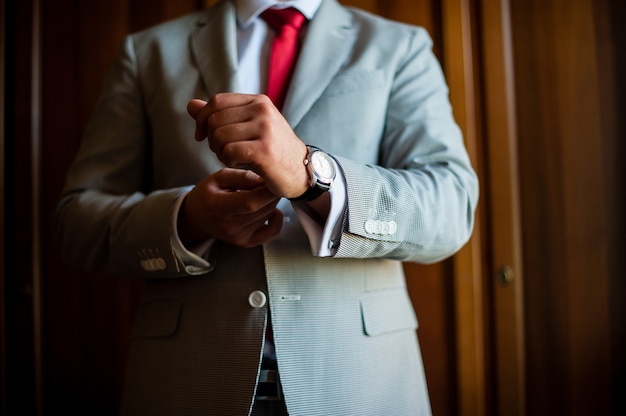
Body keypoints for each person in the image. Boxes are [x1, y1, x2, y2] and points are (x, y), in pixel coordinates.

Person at [55, 0, 479, 414]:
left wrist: (311, 172)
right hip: (188, 377)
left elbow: (451, 205)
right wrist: (187, 219)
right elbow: (76, 222)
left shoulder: (397, 45)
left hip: (357, 381)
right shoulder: (147, 51)